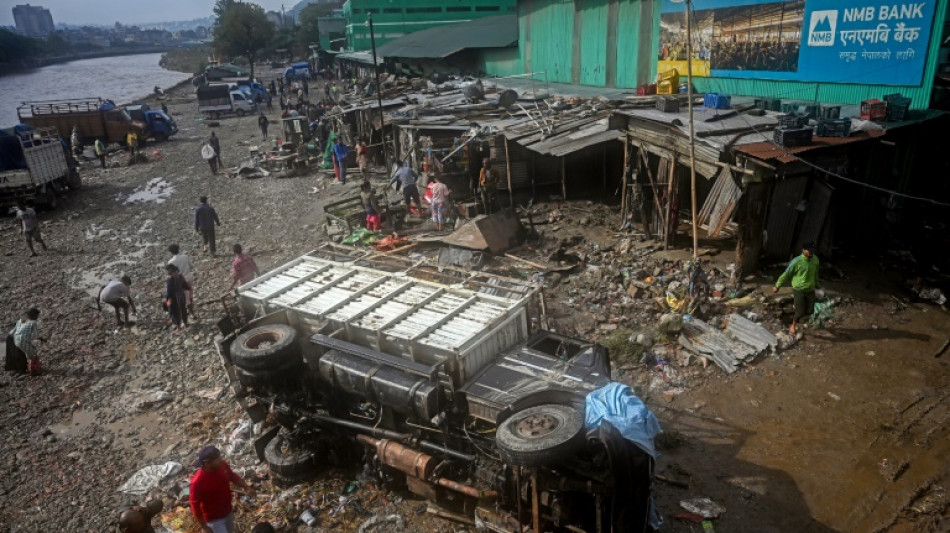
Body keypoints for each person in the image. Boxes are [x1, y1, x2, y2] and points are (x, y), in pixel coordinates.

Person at [189, 445, 255, 533]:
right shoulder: (197, 482)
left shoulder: (222, 465)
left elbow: (232, 476)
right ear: (207, 463)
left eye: (219, 457)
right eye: (216, 459)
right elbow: (195, 507)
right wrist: (204, 527)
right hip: (214, 520)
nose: (220, 460)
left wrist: (247, 487)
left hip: (228, 511)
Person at [772, 243, 820, 335]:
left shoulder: (815, 260)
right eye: (809, 250)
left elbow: (816, 274)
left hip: (810, 289)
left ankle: (798, 308)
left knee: (810, 311)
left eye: (813, 250)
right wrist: (777, 285)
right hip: (799, 289)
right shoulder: (796, 261)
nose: (811, 252)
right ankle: (793, 325)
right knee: (800, 311)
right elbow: (786, 274)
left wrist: (817, 284)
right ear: (803, 250)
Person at [9, 308, 44, 376]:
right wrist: (42, 339)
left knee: (30, 351)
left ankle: (28, 367)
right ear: (34, 315)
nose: (37, 317)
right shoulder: (33, 323)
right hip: (23, 341)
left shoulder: (20, 321)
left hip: (16, 340)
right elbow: (37, 335)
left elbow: (11, 332)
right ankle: (34, 371)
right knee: (33, 355)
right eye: (37, 316)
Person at [168, 244, 196, 316]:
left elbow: (171, 274)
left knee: (185, 296)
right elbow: (191, 266)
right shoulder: (185, 256)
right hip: (189, 277)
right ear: (178, 249)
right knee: (190, 292)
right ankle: (191, 303)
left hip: (180, 280)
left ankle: (191, 312)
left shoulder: (171, 262)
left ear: (171, 252)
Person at [164, 263, 191, 332]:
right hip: (181, 295)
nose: (166, 272)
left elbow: (169, 291)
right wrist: (189, 289)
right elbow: (185, 285)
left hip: (174, 298)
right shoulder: (179, 276)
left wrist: (167, 300)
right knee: (183, 310)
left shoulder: (169, 279)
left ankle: (178, 327)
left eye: (167, 270)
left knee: (174, 312)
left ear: (170, 270)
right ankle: (186, 323)